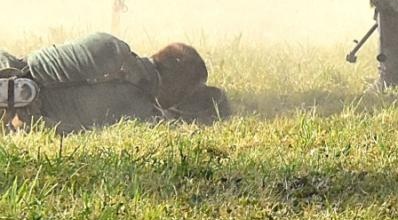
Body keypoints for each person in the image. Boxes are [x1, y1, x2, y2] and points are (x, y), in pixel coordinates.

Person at [1, 32, 228, 133]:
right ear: (178, 88)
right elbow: (177, 123)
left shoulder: (110, 42)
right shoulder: (140, 110)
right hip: (15, 115)